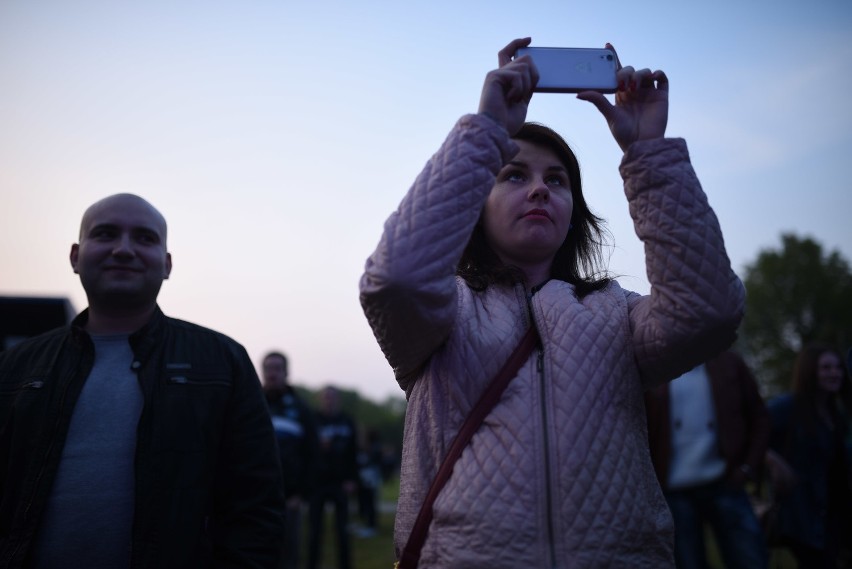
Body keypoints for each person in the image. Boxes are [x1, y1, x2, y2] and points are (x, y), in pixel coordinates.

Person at [359, 38, 745, 568]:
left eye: (556, 180)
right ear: (477, 205)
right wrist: (487, 131)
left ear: (574, 213)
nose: (539, 189)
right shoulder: (443, 311)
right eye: (514, 174)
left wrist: (648, 154)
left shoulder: (619, 315)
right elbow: (394, 280)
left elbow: (710, 312)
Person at [0, 193, 286, 568]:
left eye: (145, 238)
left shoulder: (222, 362)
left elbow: (256, 505)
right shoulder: (14, 367)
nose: (123, 249)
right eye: (105, 234)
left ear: (166, 264)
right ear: (75, 256)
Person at [645, 351, 771, 569]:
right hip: (674, 492)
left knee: (749, 558)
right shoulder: (654, 366)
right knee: (688, 562)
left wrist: (748, 467)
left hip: (726, 483)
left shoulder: (728, 361)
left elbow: (759, 417)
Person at [767, 343, 852, 567]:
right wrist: (774, 461)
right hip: (804, 516)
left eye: (838, 368)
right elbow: (752, 430)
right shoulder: (789, 407)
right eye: (826, 368)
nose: (835, 373)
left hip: (835, 515)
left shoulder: (837, 414)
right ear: (810, 371)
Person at [261, 351, 318, 569]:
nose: (272, 374)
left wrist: (301, 493)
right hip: (256, 496)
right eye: (268, 369)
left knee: (289, 552)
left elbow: (313, 454)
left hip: (290, 497)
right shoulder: (252, 403)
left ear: (286, 372)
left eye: (277, 368)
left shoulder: (301, 409)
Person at [307, 385, 359, 569]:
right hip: (318, 483)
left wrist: (353, 479)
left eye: (332, 397)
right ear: (320, 399)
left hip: (341, 482)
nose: (329, 400)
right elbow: (305, 451)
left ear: (338, 399)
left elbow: (353, 452)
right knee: (315, 531)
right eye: (326, 397)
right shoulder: (313, 421)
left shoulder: (346, 421)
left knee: (342, 531)